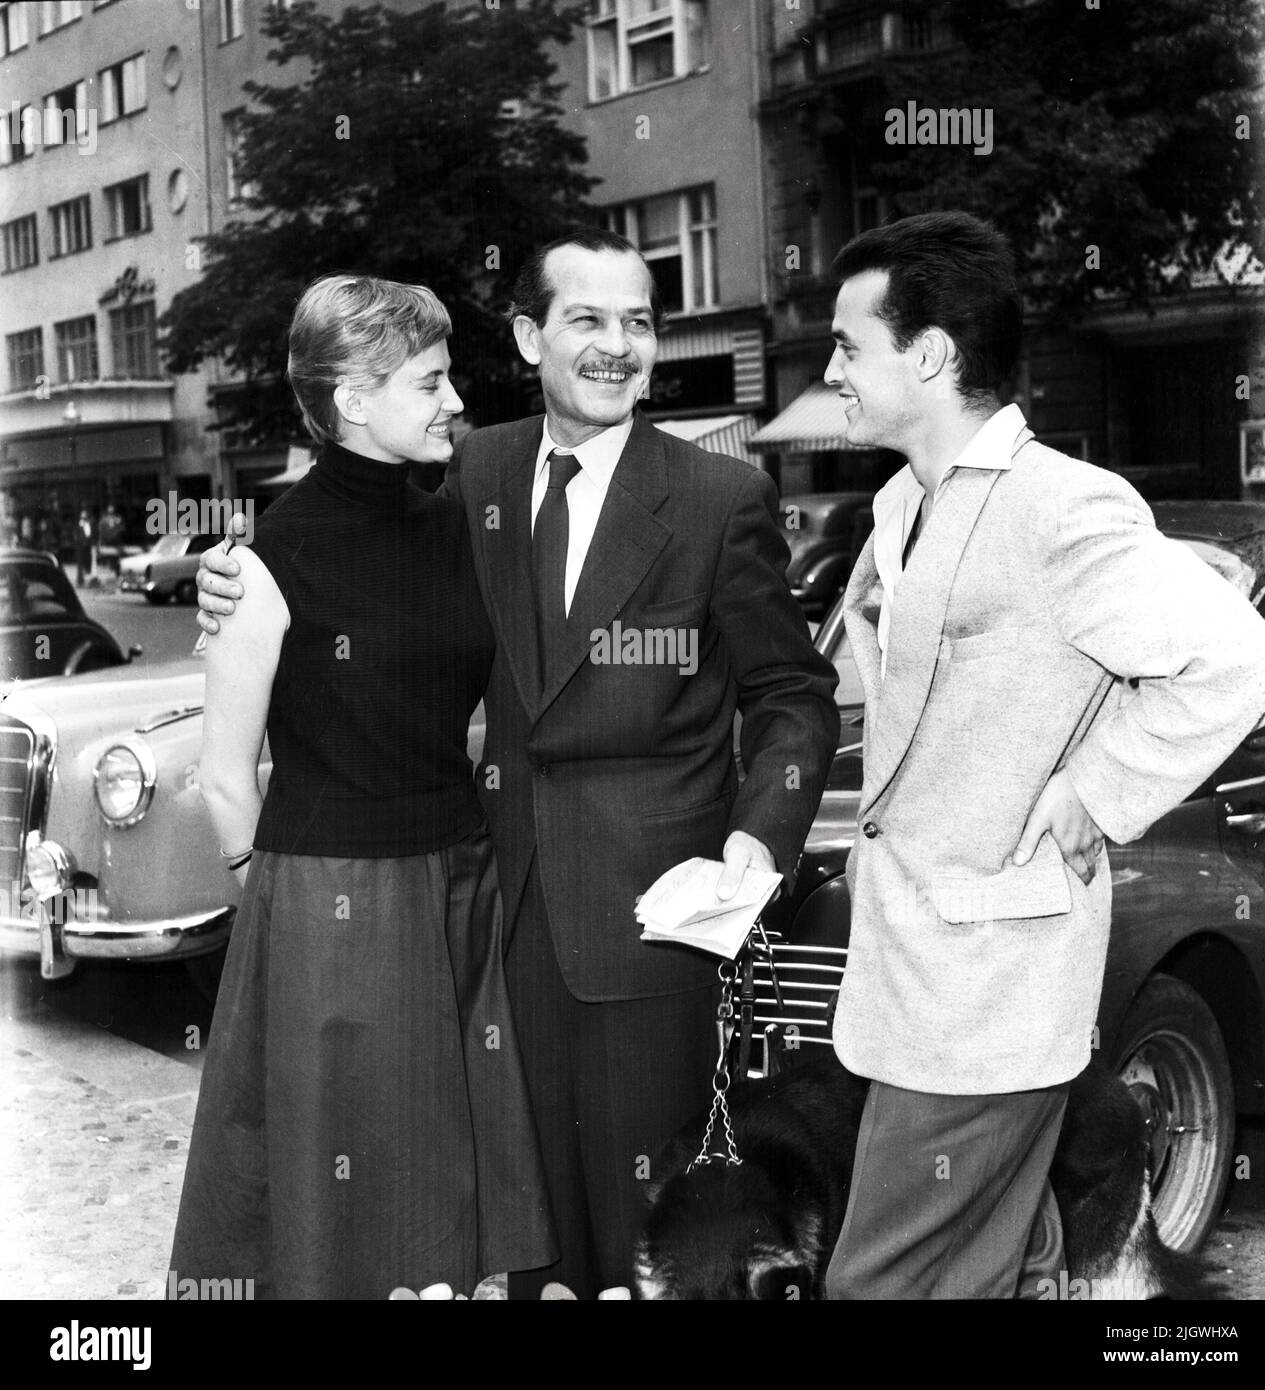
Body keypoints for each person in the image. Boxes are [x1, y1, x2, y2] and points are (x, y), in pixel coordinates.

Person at [197, 228, 840, 1298]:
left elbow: (792, 696)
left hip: (651, 936)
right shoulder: (464, 470)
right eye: (588, 319)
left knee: (659, 1247)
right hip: (476, 926)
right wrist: (235, 579)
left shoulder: (721, 497)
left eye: (639, 321)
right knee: (505, 1244)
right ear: (533, 335)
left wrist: (751, 842)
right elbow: (335, 559)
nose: (618, 346)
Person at [821, 211, 1265, 1299]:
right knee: (1003, 1268)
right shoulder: (898, 505)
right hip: (918, 976)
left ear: (929, 355)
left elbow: (1243, 663)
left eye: (849, 346)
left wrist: (1096, 788)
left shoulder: (1058, 507)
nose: (832, 372)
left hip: (990, 989)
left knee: (877, 1281)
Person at [171, 275, 553, 1300]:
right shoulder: (263, 562)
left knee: (443, 1181)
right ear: (351, 397)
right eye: (428, 383)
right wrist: (283, 918)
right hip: (331, 899)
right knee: (347, 1191)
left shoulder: (461, 521)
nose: (453, 402)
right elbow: (220, 771)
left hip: (458, 880)